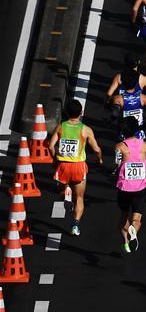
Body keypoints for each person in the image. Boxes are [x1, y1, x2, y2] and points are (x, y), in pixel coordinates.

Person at [48, 99, 103, 236]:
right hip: (79, 166)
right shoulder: (85, 129)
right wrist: (99, 159)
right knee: (79, 197)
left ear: (66, 113)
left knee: (62, 192)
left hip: (63, 165)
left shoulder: (61, 127)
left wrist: (55, 159)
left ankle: (66, 192)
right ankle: (76, 225)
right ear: (81, 113)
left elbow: (50, 146)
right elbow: (96, 149)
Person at [113, 116, 146, 253]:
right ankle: (134, 230)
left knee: (123, 215)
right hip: (140, 188)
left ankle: (126, 242)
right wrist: (145, 165)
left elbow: (117, 163)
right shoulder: (145, 145)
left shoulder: (120, 147)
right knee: (137, 218)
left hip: (124, 188)